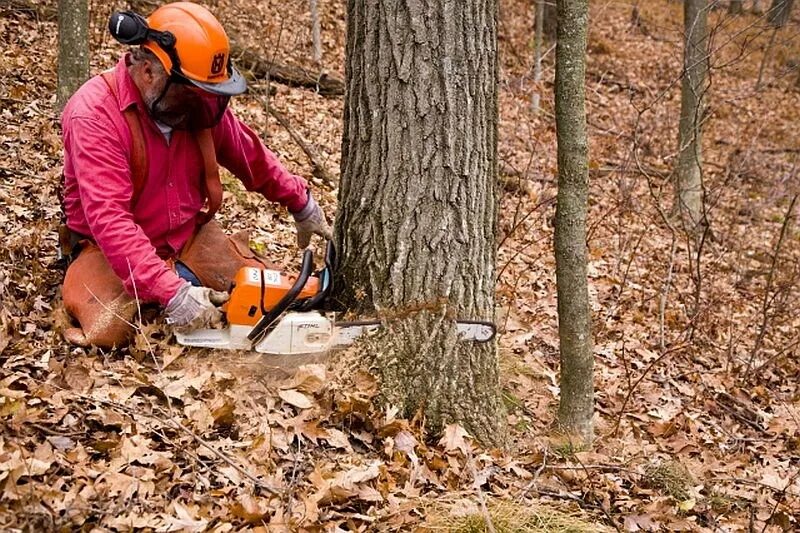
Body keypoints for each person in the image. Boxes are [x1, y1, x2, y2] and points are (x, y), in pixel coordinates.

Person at [59, 2, 332, 348]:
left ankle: (184, 283)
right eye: (192, 93)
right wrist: (173, 292)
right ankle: (164, 289)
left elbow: (249, 154)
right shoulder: (95, 115)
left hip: (189, 238)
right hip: (107, 253)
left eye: (209, 94)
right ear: (149, 73)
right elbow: (110, 220)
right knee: (110, 327)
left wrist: (301, 203)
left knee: (268, 293)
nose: (202, 103)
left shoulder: (198, 107)